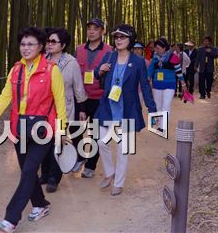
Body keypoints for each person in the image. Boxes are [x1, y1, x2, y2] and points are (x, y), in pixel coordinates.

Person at [0, 27, 67, 233]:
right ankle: (40, 205)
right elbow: (5, 96)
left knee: (29, 171)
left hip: (43, 130)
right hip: (19, 128)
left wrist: (61, 130)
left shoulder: (51, 70)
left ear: (40, 47)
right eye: (23, 44)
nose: (26, 48)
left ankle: (11, 218)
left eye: (31, 44)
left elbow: (60, 102)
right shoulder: (16, 69)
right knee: (27, 172)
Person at [95, 24, 156, 196]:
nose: (119, 40)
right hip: (107, 107)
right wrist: (100, 71)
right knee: (101, 142)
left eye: (123, 37)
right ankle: (109, 173)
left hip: (127, 110)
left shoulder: (137, 62)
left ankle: (119, 182)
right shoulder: (109, 56)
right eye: (116, 37)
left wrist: (152, 109)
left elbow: (144, 85)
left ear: (130, 40)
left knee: (123, 147)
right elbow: (94, 75)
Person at [41, 27, 88, 193]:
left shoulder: (71, 62)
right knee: (44, 142)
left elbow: (78, 87)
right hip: (44, 108)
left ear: (63, 45)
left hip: (64, 107)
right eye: (48, 41)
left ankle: (54, 177)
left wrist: (82, 108)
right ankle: (45, 173)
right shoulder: (42, 59)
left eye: (53, 41)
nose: (49, 44)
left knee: (57, 141)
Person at [73, 18, 113, 178]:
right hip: (81, 96)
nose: (91, 31)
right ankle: (79, 155)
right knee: (74, 129)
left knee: (96, 133)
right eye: (89, 28)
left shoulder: (110, 51)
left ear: (102, 31)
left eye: (95, 28)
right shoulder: (79, 49)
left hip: (100, 99)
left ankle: (90, 164)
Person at [147, 37, 187, 114]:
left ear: (164, 48)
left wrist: (183, 84)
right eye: (155, 48)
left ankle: (163, 126)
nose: (156, 50)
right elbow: (150, 70)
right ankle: (158, 125)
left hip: (169, 86)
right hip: (157, 86)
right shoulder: (154, 57)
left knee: (166, 106)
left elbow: (178, 71)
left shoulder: (173, 57)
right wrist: (147, 80)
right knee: (157, 106)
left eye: (158, 48)